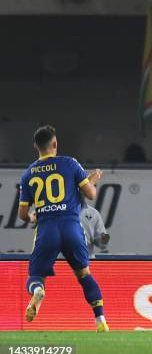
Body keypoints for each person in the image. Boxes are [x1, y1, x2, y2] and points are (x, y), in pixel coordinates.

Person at [18, 125, 109, 331]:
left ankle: (38, 291)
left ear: (35, 146)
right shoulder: (70, 163)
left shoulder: (28, 174)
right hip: (71, 228)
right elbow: (91, 195)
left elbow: (23, 214)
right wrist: (92, 180)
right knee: (84, 274)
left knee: (35, 276)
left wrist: (32, 216)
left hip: (46, 229)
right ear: (55, 144)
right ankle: (100, 319)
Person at [78, 193, 110, 258]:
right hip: (63, 261)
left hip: (87, 260)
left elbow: (101, 243)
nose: (80, 193)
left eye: (82, 190)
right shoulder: (59, 212)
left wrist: (103, 239)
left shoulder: (94, 213)